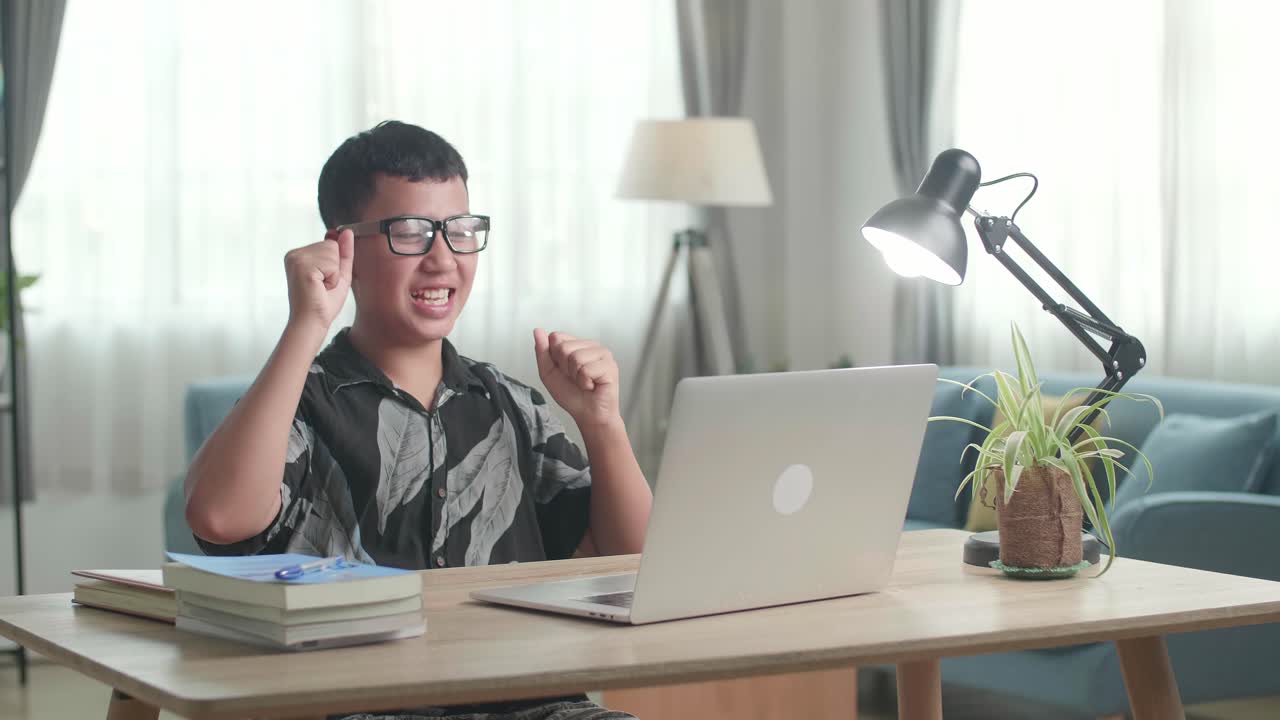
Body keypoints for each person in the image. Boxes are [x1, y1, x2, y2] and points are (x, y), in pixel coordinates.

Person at [184, 120, 652, 720]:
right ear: (341, 246)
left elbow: (633, 560)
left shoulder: (512, 406)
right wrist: (307, 323)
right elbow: (219, 516)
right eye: (411, 233)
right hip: (362, 708)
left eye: (459, 232)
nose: (442, 259)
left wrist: (602, 423)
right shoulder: (297, 405)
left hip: (533, 706)